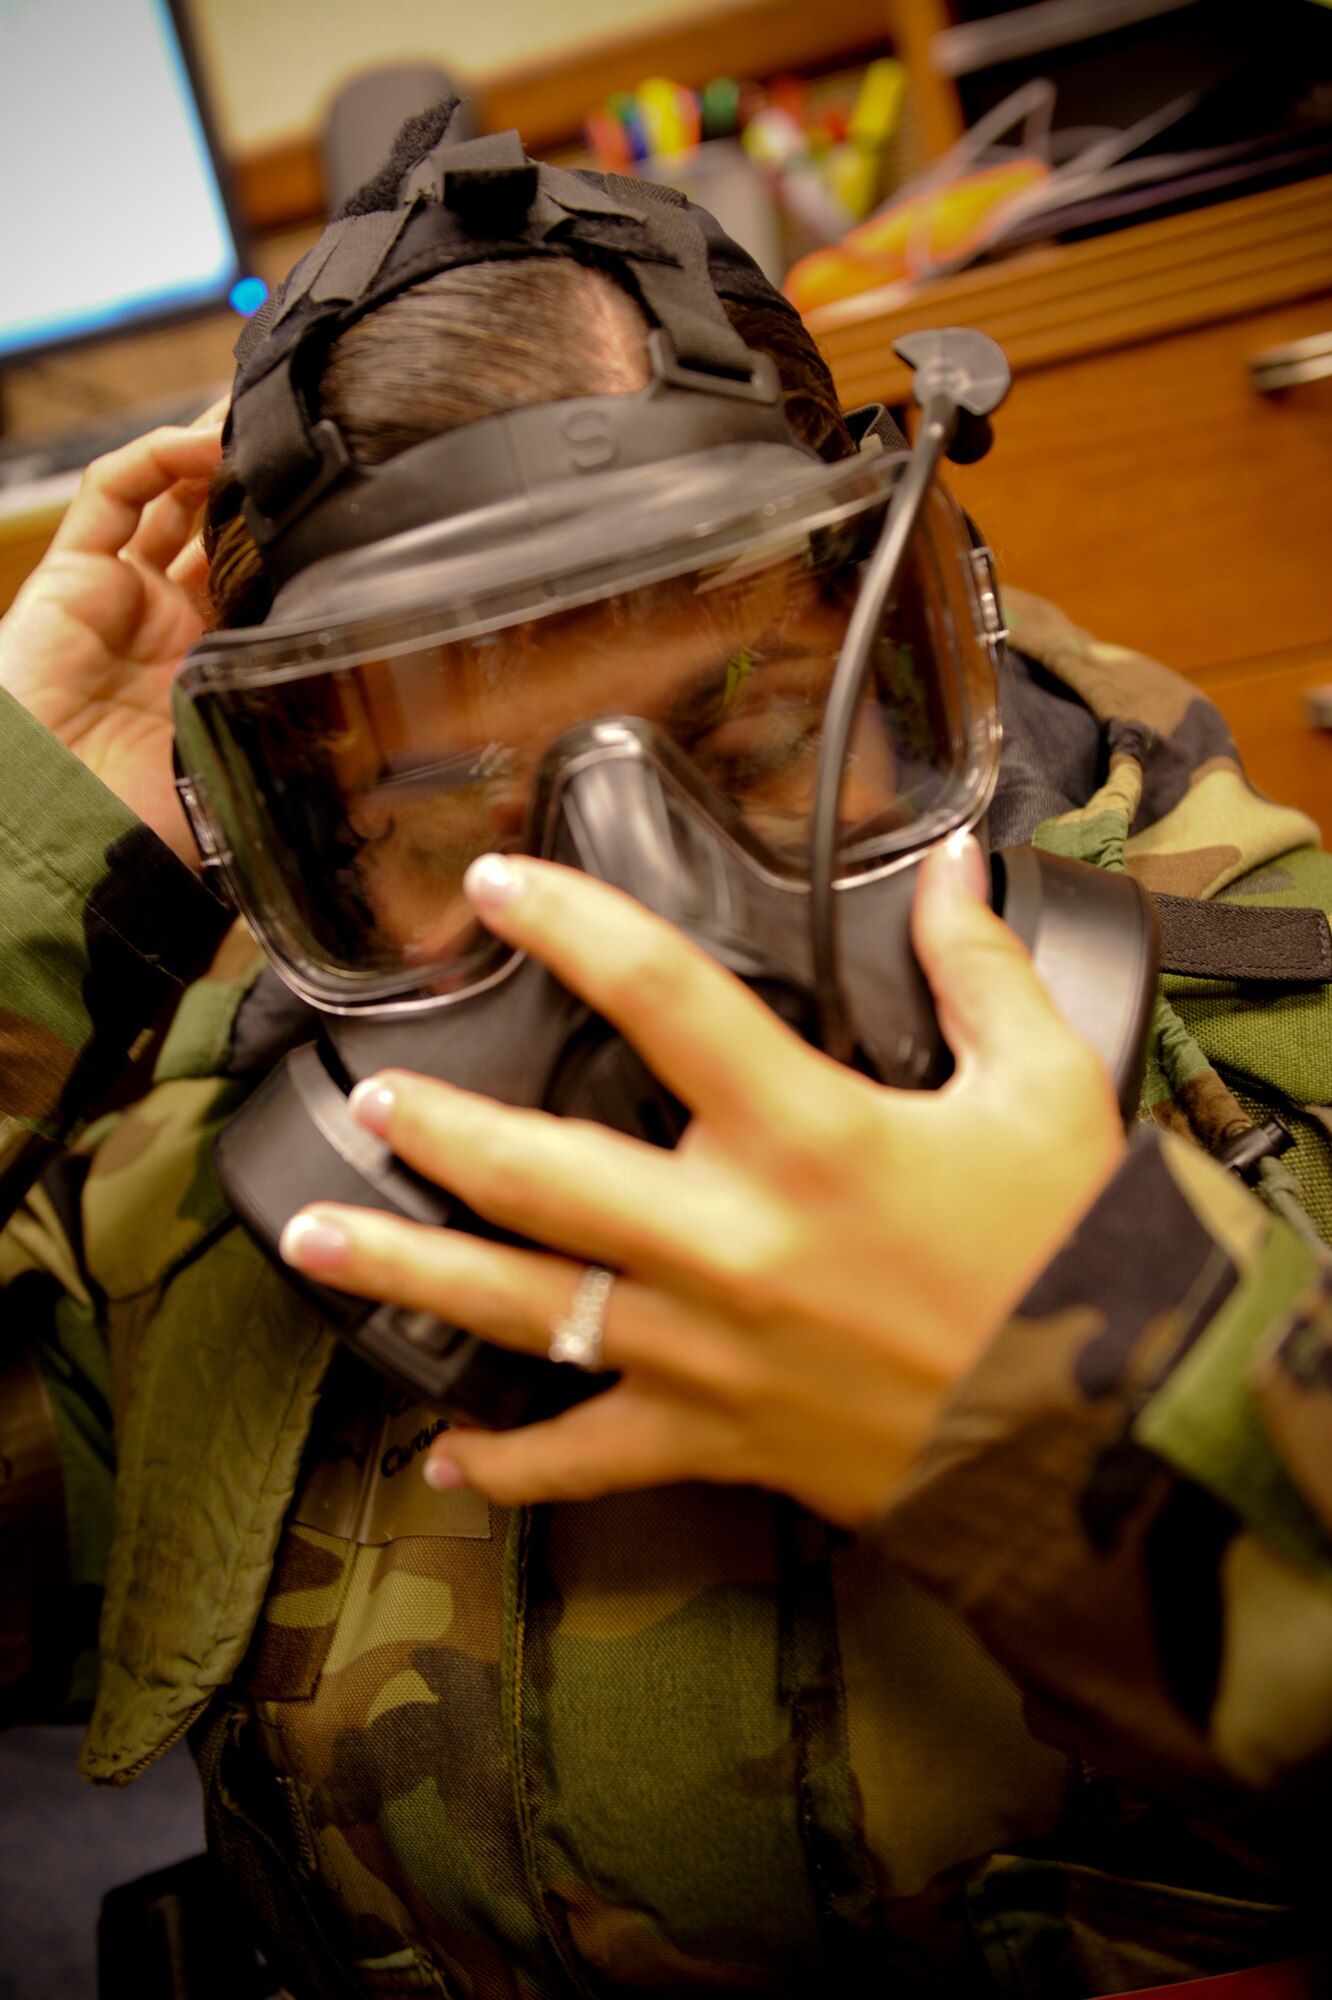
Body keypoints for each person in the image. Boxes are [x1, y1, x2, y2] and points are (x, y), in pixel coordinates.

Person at [1, 101, 1330, 1998]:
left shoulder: (1272, 1070)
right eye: (460, 819)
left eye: (764, 745)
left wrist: (1091, 1396)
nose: (645, 932)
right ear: (306, 832)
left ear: (895, 659)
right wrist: (33, 852)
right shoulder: (186, 1209)